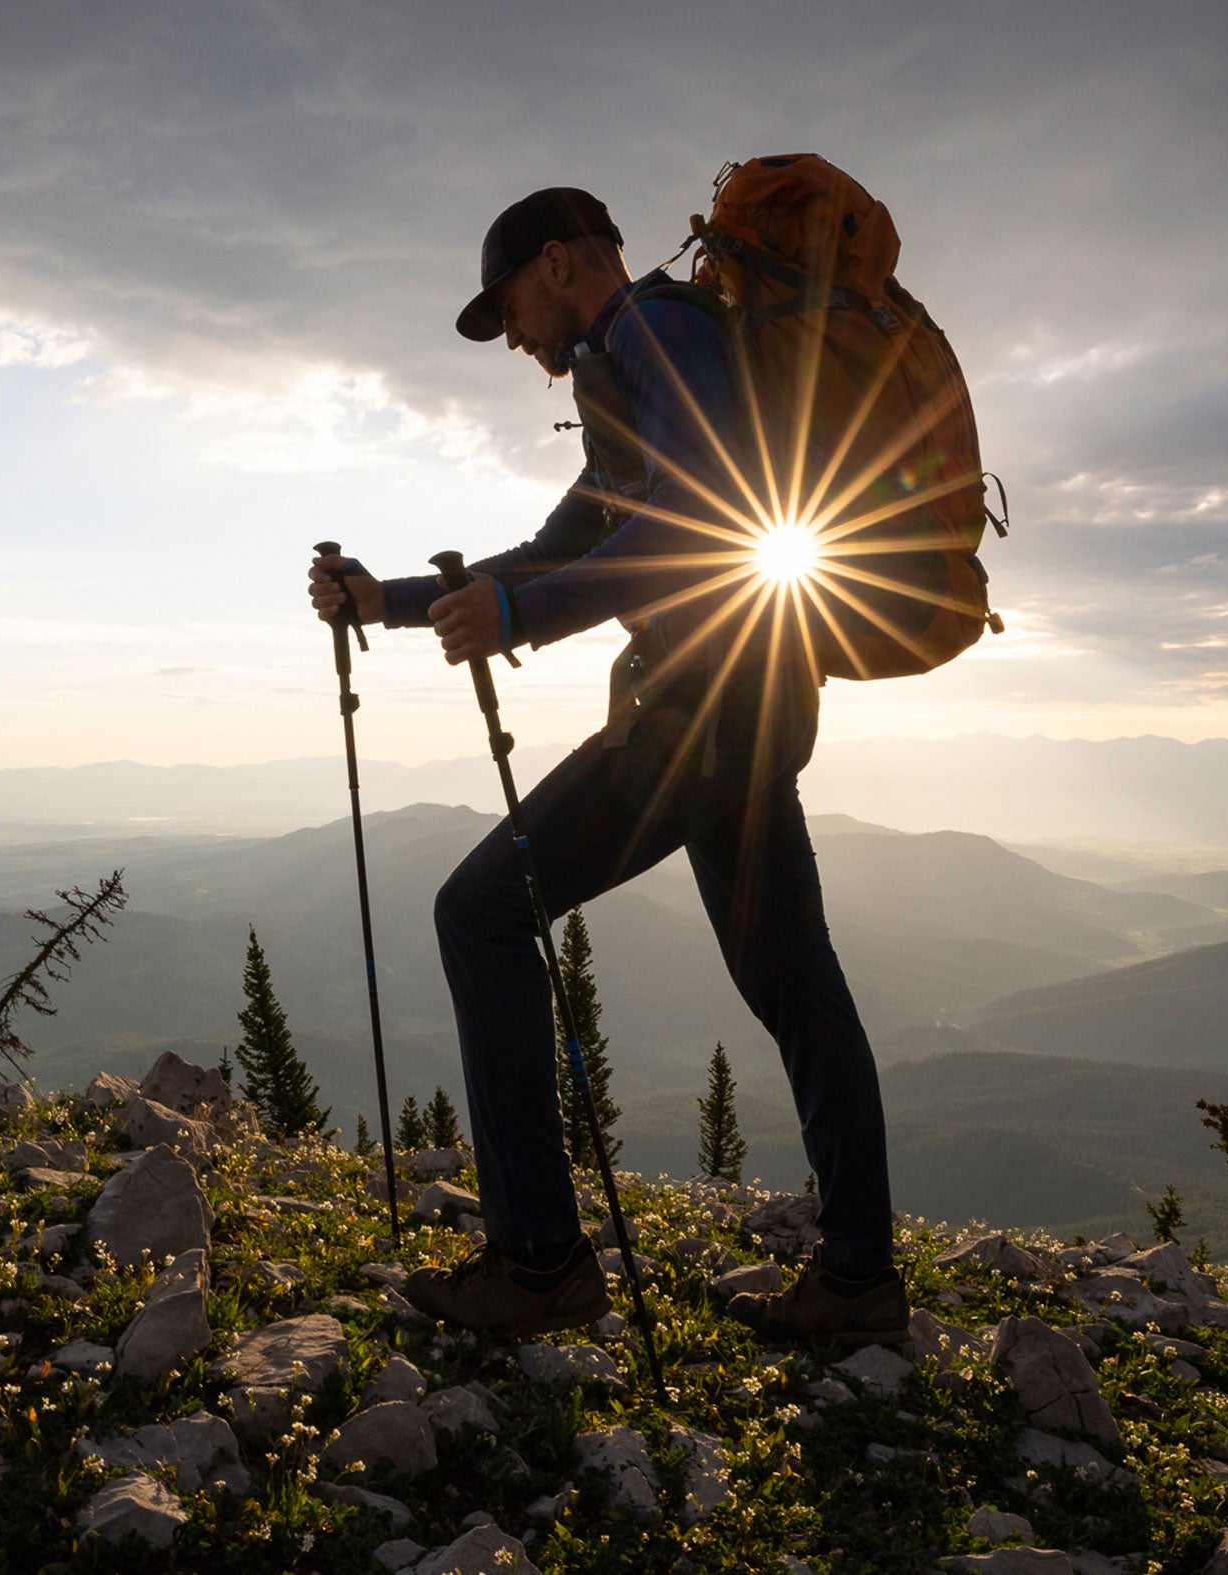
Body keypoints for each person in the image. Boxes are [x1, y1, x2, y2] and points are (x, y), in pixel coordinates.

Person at [307, 186, 908, 1347]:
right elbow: (567, 542)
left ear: (556, 264)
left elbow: (692, 527)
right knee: (794, 985)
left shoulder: (655, 336)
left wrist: (521, 610)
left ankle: (537, 1262)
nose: (512, 336)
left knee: (479, 911)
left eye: (508, 308)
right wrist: (393, 601)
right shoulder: (634, 360)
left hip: (700, 715)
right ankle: (858, 1282)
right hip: (749, 703)